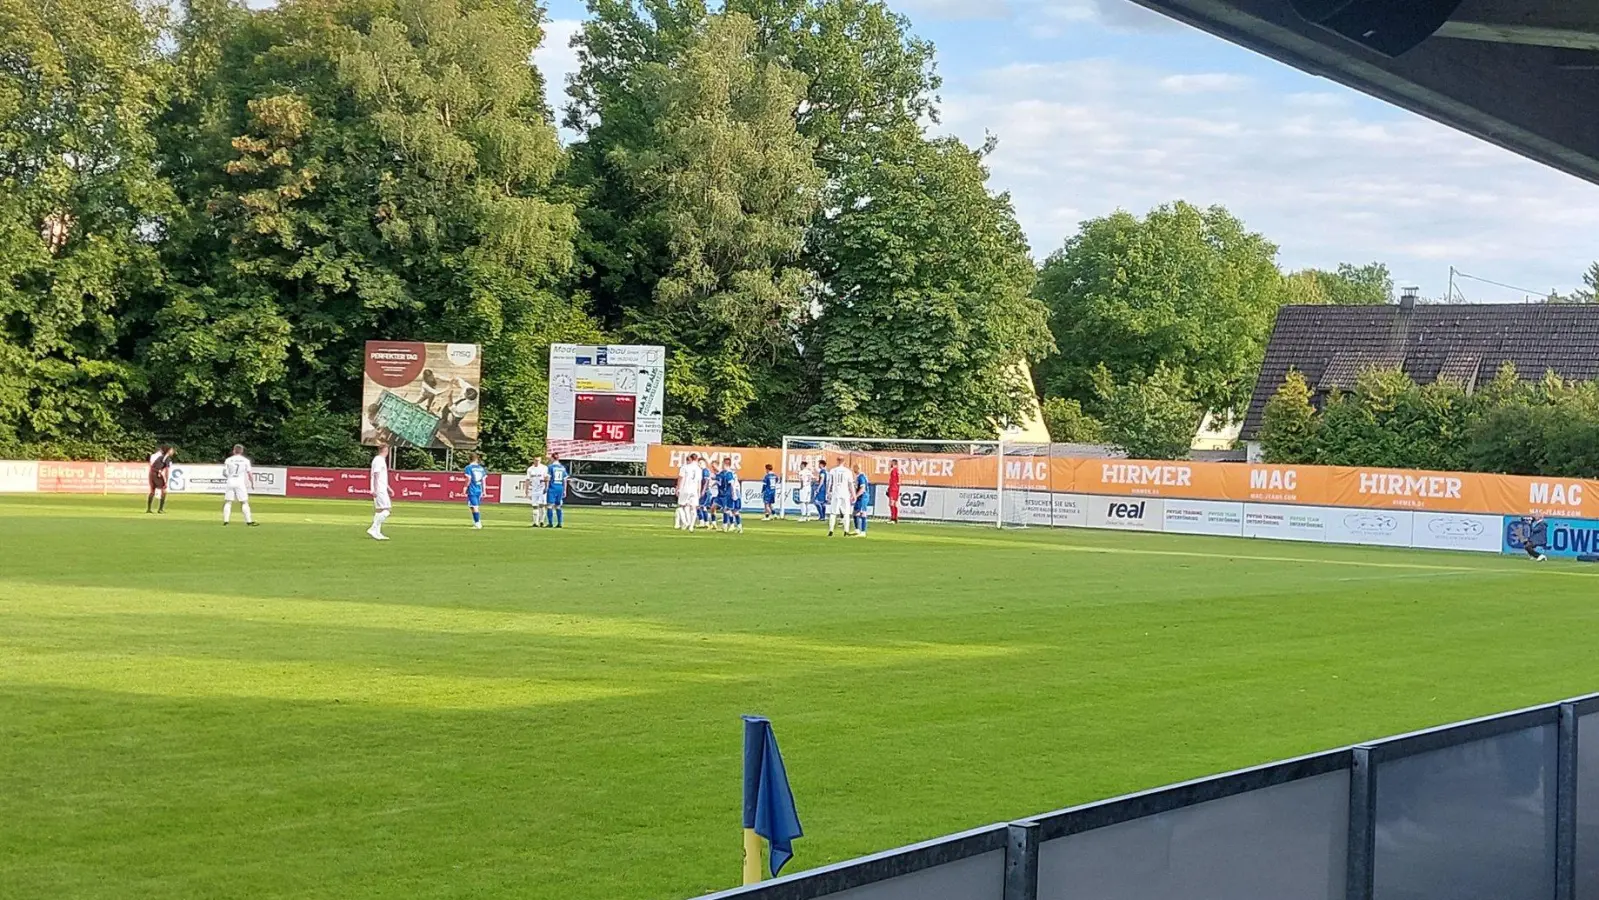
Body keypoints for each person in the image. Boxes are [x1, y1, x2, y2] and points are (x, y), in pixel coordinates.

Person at [221, 444, 258, 527]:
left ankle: (226, 521)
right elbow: (249, 473)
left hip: (230, 481)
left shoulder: (228, 460)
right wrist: (252, 483)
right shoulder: (245, 460)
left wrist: (229, 477)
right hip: (240, 482)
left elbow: (224, 473)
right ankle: (249, 521)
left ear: (234, 450)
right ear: (242, 451)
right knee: (244, 502)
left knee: (228, 502)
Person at [826, 456, 855, 537]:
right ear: (844, 461)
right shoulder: (848, 471)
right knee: (846, 513)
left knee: (833, 512)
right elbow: (850, 484)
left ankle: (831, 530)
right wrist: (853, 494)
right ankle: (846, 531)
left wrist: (828, 492)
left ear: (837, 461)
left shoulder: (833, 470)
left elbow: (830, 483)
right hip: (845, 494)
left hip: (836, 493)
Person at [368, 443, 392, 541]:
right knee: (387, 510)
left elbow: (381, 476)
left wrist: (388, 488)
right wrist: (376, 489)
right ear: (385, 450)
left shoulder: (379, 460)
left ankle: (377, 532)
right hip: (380, 489)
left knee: (379, 510)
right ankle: (373, 528)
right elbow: (376, 475)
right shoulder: (379, 460)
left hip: (381, 487)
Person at [675, 453, 701, 530]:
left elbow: (680, 478)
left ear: (691, 459)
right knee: (693, 508)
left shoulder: (685, 467)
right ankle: (691, 526)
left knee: (681, 507)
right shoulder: (699, 469)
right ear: (696, 459)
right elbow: (699, 482)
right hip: (694, 490)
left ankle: (685, 522)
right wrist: (699, 492)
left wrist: (678, 488)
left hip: (685, 489)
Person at [146, 444, 174, 514]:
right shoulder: (167, 458)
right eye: (171, 450)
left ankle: (148, 509)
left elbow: (154, 465)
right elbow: (167, 470)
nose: (172, 451)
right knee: (164, 491)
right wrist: (166, 481)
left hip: (151, 473)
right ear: (168, 451)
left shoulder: (161, 457)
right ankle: (160, 509)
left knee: (152, 491)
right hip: (156, 474)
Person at [465, 452, 488, 530]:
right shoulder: (481, 468)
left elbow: (468, 479)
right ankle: (476, 522)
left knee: (475, 507)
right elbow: (484, 481)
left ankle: (478, 524)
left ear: (469, 459)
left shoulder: (468, 468)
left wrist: (465, 487)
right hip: (479, 490)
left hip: (472, 489)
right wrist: (484, 491)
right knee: (472, 506)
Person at [545, 457, 568, 528]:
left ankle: (550, 523)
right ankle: (559, 523)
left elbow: (548, 478)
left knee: (549, 505)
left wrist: (546, 487)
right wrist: (564, 490)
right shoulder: (562, 467)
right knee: (558, 506)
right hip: (560, 488)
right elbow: (565, 480)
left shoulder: (550, 467)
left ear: (552, 458)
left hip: (552, 488)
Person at [526, 455, 548, 527]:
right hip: (534, 490)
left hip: (542, 489)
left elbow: (546, 478)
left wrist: (546, 487)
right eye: (536, 460)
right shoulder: (530, 469)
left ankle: (541, 521)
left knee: (542, 505)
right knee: (534, 506)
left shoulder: (544, 468)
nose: (537, 462)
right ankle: (535, 522)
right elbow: (528, 480)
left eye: (538, 460)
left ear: (540, 460)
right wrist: (526, 490)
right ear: (533, 460)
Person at [725, 464, 744, 533]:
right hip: (737, 493)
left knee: (728, 510)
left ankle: (732, 525)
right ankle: (739, 527)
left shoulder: (729, 474)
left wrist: (733, 494)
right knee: (735, 511)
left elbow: (732, 484)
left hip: (732, 494)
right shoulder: (734, 475)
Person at [853, 464, 871, 536]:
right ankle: (857, 530)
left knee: (862, 512)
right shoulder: (859, 477)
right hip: (860, 497)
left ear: (858, 468)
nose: (853, 469)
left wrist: (855, 496)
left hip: (863, 497)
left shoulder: (861, 477)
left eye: (854, 468)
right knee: (855, 512)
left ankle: (863, 532)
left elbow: (862, 489)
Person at [813, 457, 829, 522]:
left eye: (819, 464)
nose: (818, 465)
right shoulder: (825, 471)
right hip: (824, 488)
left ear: (822, 464)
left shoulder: (822, 471)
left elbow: (822, 480)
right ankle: (823, 516)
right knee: (823, 503)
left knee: (816, 501)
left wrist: (818, 488)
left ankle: (822, 516)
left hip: (822, 488)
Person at [887, 460, 902, 524]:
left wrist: (890, 488)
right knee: (894, 504)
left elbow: (897, 480)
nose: (890, 464)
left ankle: (893, 518)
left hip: (893, 489)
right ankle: (895, 518)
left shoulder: (894, 470)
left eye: (891, 463)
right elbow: (898, 481)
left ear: (893, 463)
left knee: (891, 503)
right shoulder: (897, 470)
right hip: (895, 489)